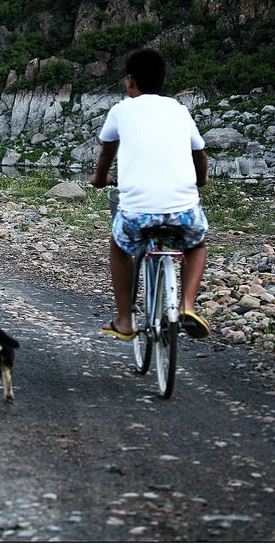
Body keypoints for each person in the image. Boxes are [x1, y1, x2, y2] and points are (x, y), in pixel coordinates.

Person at [89, 48, 211, 341]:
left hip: (137, 212)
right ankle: (187, 305)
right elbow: (200, 154)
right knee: (196, 244)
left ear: (130, 81)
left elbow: (107, 151)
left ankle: (125, 320)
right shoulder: (179, 109)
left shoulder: (121, 110)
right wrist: (200, 182)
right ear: (163, 80)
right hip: (183, 208)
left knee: (119, 245)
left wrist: (99, 178)